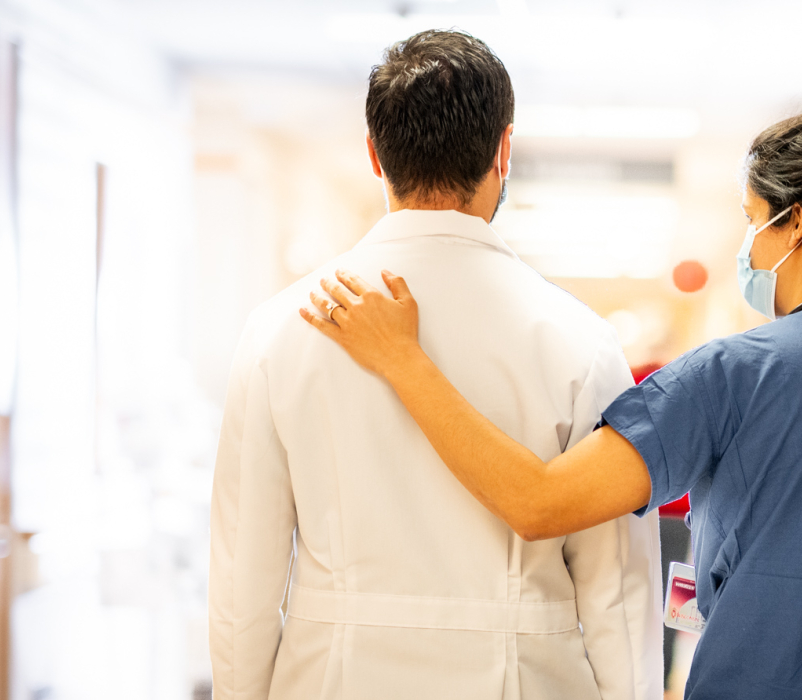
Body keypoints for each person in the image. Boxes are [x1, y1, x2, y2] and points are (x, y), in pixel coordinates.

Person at [304, 111, 802, 699]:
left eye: (755, 221)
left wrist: (403, 360)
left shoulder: (730, 376)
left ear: (799, 225)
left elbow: (537, 501)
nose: (748, 248)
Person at [209, 30, 660, 700]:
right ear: (504, 150)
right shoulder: (580, 340)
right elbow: (615, 586)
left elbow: (244, 578)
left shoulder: (281, 329)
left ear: (373, 153)